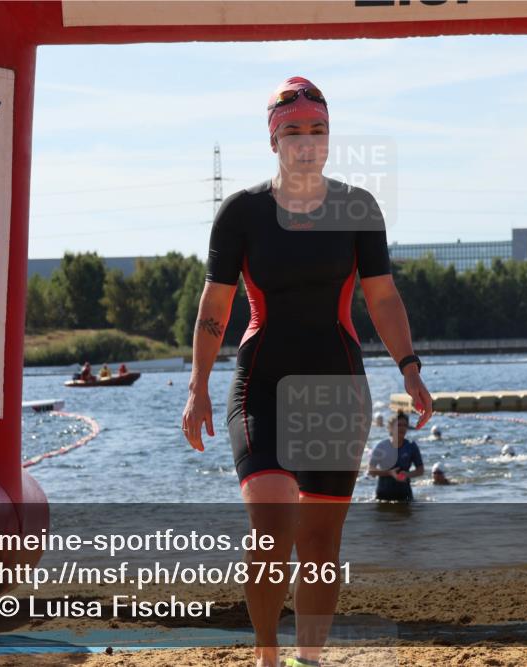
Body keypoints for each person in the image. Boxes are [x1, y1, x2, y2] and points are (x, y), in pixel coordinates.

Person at [180, 76, 433, 667]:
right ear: (273, 140)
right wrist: (197, 389)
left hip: (336, 384)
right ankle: (267, 655)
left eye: (317, 130)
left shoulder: (357, 208)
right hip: (261, 383)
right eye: (292, 131)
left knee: (319, 545)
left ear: (328, 137)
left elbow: (384, 298)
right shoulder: (242, 213)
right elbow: (214, 307)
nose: (306, 142)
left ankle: (308, 660)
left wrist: (410, 369)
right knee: (271, 534)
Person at [368, 411, 425, 501]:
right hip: (383, 496)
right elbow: (371, 470)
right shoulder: (381, 446)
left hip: (404, 494)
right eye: (399, 425)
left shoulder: (411, 446)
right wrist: (389, 473)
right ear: (390, 427)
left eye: (405, 425)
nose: (402, 428)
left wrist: (408, 474)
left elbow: (420, 470)